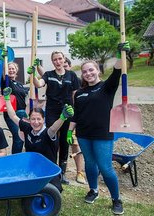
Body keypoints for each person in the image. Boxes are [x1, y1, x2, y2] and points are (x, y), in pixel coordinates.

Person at [67, 42, 130, 215]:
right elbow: (76, 115)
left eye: (91, 70)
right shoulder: (79, 93)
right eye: (85, 71)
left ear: (98, 71)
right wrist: (69, 131)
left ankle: (116, 199)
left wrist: (120, 54)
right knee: (90, 164)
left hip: (102, 135)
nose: (88, 73)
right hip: (84, 135)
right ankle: (93, 190)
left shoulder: (106, 87)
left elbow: (117, 72)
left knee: (105, 167)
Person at [3, 87, 74, 192]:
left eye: (38, 119)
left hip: (48, 172)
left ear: (43, 119)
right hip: (32, 170)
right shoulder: (27, 128)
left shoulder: (48, 133)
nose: (36, 122)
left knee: (51, 193)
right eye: (33, 119)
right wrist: (7, 98)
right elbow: (13, 115)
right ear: (29, 120)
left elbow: (54, 128)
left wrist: (62, 117)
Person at [30, 51, 80, 184]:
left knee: (64, 141)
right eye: (55, 60)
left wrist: (75, 111)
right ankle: (51, 169)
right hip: (52, 110)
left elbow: (75, 94)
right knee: (51, 138)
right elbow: (39, 84)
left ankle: (62, 173)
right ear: (52, 62)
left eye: (60, 59)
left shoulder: (72, 75)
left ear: (64, 60)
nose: (58, 62)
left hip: (67, 111)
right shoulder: (49, 75)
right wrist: (32, 74)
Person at [62, 57, 86, 184]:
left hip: (74, 118)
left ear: (70, 66)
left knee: (75, 144)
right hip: (59, 117)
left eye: (66, 65)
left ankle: (80, 173)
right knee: (59, 144)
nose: (64, 68)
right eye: (62, 66)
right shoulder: (56, 78)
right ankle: (60, 172)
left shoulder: (76, 80)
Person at [1, 61, 29, 154]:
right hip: (11, 113)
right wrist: (5, 62)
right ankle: (15, 158)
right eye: (9, 68)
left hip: (22, 112)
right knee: (18, 137)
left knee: (23, 136)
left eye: (13, 68)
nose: (11, 70)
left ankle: (20, 156)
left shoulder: (20, 84)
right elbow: (5, 76)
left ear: (16, 70)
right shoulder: (6, 82)